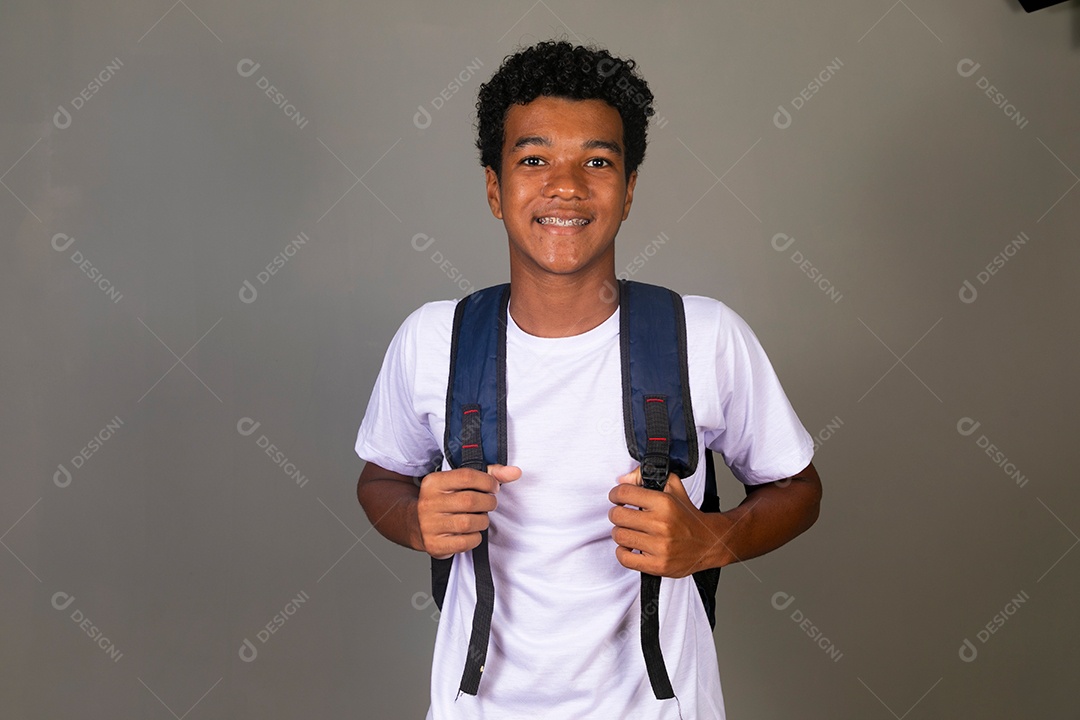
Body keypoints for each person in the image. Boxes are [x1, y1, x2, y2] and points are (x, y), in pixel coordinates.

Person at [355, 40, 822, 720]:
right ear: (495, 188)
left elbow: (799, 489)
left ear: (629, 190)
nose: (566, 186)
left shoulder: (705, 336)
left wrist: (710, 541)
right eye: (534, 159)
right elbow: (379, 479)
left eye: (597, 162)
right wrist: (414, 519)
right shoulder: (434, 340)